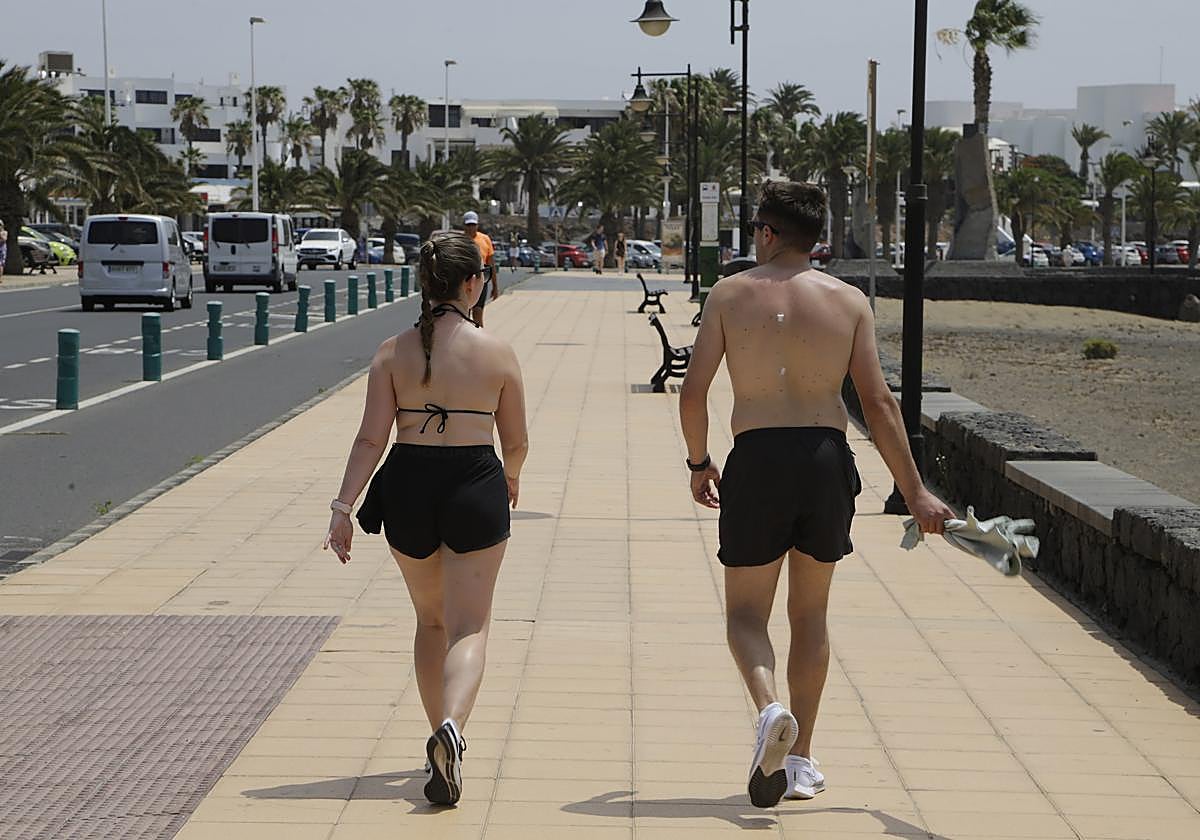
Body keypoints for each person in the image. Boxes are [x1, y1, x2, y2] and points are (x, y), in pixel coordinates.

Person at [678, 181, 953, 809]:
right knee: (810, 614)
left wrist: (698, 462)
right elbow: (878, 403)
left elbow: (693, 393)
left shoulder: (730, 294)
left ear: (767, 233)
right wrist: (915, 493)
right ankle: (800, 761)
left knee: (746, 615)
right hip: (825, 461)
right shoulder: (849, 301)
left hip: (757, 458)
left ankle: (769, 709)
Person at [323, 232, 529, 807]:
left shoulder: (392, 352)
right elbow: (516, 441)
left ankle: (439, 730)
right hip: (475, 482)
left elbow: (370, 438)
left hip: (408, 485)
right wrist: (511, 477)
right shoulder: (497, 352)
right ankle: (453, 730)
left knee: (430, 620)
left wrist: (342, 508)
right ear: (472, 284)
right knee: (470, 627)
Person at [463, 211, 498, 327]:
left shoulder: (485, 239)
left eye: (473, 225)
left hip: (480, 279)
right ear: (464, 225)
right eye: (468, 225)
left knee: (478, 312)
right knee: (464, 314)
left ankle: (479, 335)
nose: (471, 228)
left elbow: (491, 264)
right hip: (463, 280)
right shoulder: (460, 240)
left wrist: (495, 286)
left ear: (477, 225)